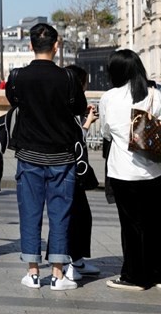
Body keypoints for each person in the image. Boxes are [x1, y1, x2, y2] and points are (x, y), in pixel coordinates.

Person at [4, 22, 87, 290]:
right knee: (60, 214)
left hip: (29, 153)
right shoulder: (69, 78)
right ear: (56, 45)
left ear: (29, 46)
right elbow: (79, 107)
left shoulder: (17, 77)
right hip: (62, 155)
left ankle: (32, 272)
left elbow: (15, 103)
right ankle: (58, 274)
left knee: (30, 212)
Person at [99, 48, 161, 291]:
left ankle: (134, 276)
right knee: (154, 223)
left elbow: (105, 131)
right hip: (155, 170)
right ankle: (157, 273)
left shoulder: (109, 98)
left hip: (123, 171)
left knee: (131, 225)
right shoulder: (154, 95)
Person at [57, 64, 101, 282]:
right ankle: (71, 262)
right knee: (76, 216)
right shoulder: (67, 105)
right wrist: (88, 123)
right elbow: (74, 141)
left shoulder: (68, 103)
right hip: (67, 169)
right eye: (85, 82)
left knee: (81, 215)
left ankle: (77, 259)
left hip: (69, 169)